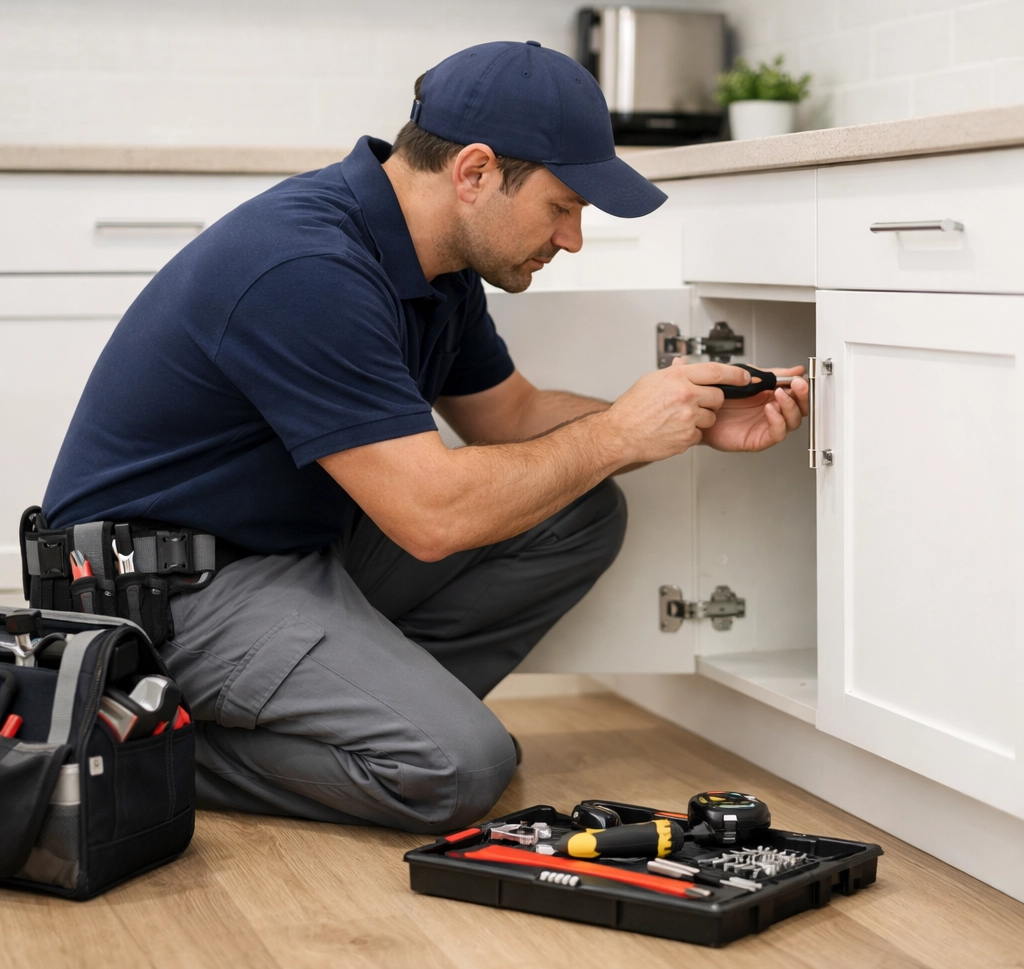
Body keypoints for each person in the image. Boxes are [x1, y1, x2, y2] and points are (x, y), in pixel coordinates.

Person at [42, 41, 808, 833]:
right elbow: (432, 519)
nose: (573, 238)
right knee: (458, 770)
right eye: (563, 206)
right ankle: (126, 737)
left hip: (282, 556)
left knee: (578, 509)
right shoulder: (306, 266)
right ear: (474, 172)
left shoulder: (439, 270)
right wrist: (617, 433)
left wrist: (688, 419)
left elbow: (509, 416)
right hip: (163, 592)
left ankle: (384, 716)